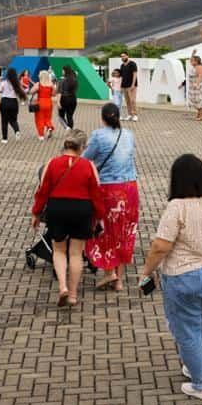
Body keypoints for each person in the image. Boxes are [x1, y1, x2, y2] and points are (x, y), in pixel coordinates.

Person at [140, 154, 202, 401]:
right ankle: (195, 366)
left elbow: (160, 246)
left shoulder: (177, 207)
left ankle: (201, 383)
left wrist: (147, 270)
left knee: (187, 330)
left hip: (184, 277)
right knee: (201, 322)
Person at [30, 129, 105, 308]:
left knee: (59, 250)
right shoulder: (88, 166)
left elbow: (42, 191)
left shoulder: (52, 163)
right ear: (82, 147)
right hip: (81, 210)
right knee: (76, 254)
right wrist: (99, 217)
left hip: (58, 209)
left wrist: (36, 213)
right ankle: (72, 294)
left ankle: (62, 286)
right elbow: (97, 194)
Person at [85, 103, 138, 291]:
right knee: (124, 232)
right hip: (130, 188)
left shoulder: (98, 136)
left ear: (103, 118)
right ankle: (119, 280)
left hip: (109, 189)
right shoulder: (129, 135)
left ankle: (109, 272)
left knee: (103, 229)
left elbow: (85, 158)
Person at [0, 67, 26, 143]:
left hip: (4, 102)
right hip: (14, 102)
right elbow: (22, 92)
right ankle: (17, 131)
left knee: (4, 121)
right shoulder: (17, 83)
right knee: (13, 120)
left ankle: (4, 139)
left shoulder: (4, 82)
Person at [29, 70, 56, 140]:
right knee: (48, 118)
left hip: (40, 102)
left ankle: (41, 135)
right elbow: (54, 94)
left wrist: (35, 88)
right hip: (49, 102)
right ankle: (49, 127)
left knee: (39, 119)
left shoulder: (38, 84)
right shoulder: (51, 85)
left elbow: (31, 91)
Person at [186, 50, 202, 121]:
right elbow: (191, 59)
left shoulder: (199, 67)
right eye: (191, 61)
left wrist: (197, 84)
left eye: (193, 61)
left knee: (198, 100)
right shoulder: (194, 66)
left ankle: (201, 114)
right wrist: (193, 53)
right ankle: (199, 113)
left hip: (197, 86)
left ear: (196, 61)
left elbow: (200, 76)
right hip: (192, 86)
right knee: (193, 100)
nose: (191, 62)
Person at [118, 52, 139, 121]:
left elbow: (135, 74)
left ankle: (135, 115)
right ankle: (130, 114)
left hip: (131, 86)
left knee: (132, 100)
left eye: (124, 56)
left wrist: (133, 85)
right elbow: (121, 77)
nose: (122, 57)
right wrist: (120, 86)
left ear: (127, 56)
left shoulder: (132, 64)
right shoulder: (122, 66)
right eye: (121, 56)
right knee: (127, 101)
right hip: (124, 86)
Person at [57, 65, 78, 130]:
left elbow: (59, 92)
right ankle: (71, 130)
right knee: (70, 116)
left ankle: (67, 128)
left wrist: (58, 102)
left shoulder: (62, 80)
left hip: (64, 99)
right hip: (73, 99)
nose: (62, 71)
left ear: (65, 71)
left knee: (61, 116)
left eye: (63, 70)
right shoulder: (74, 80)